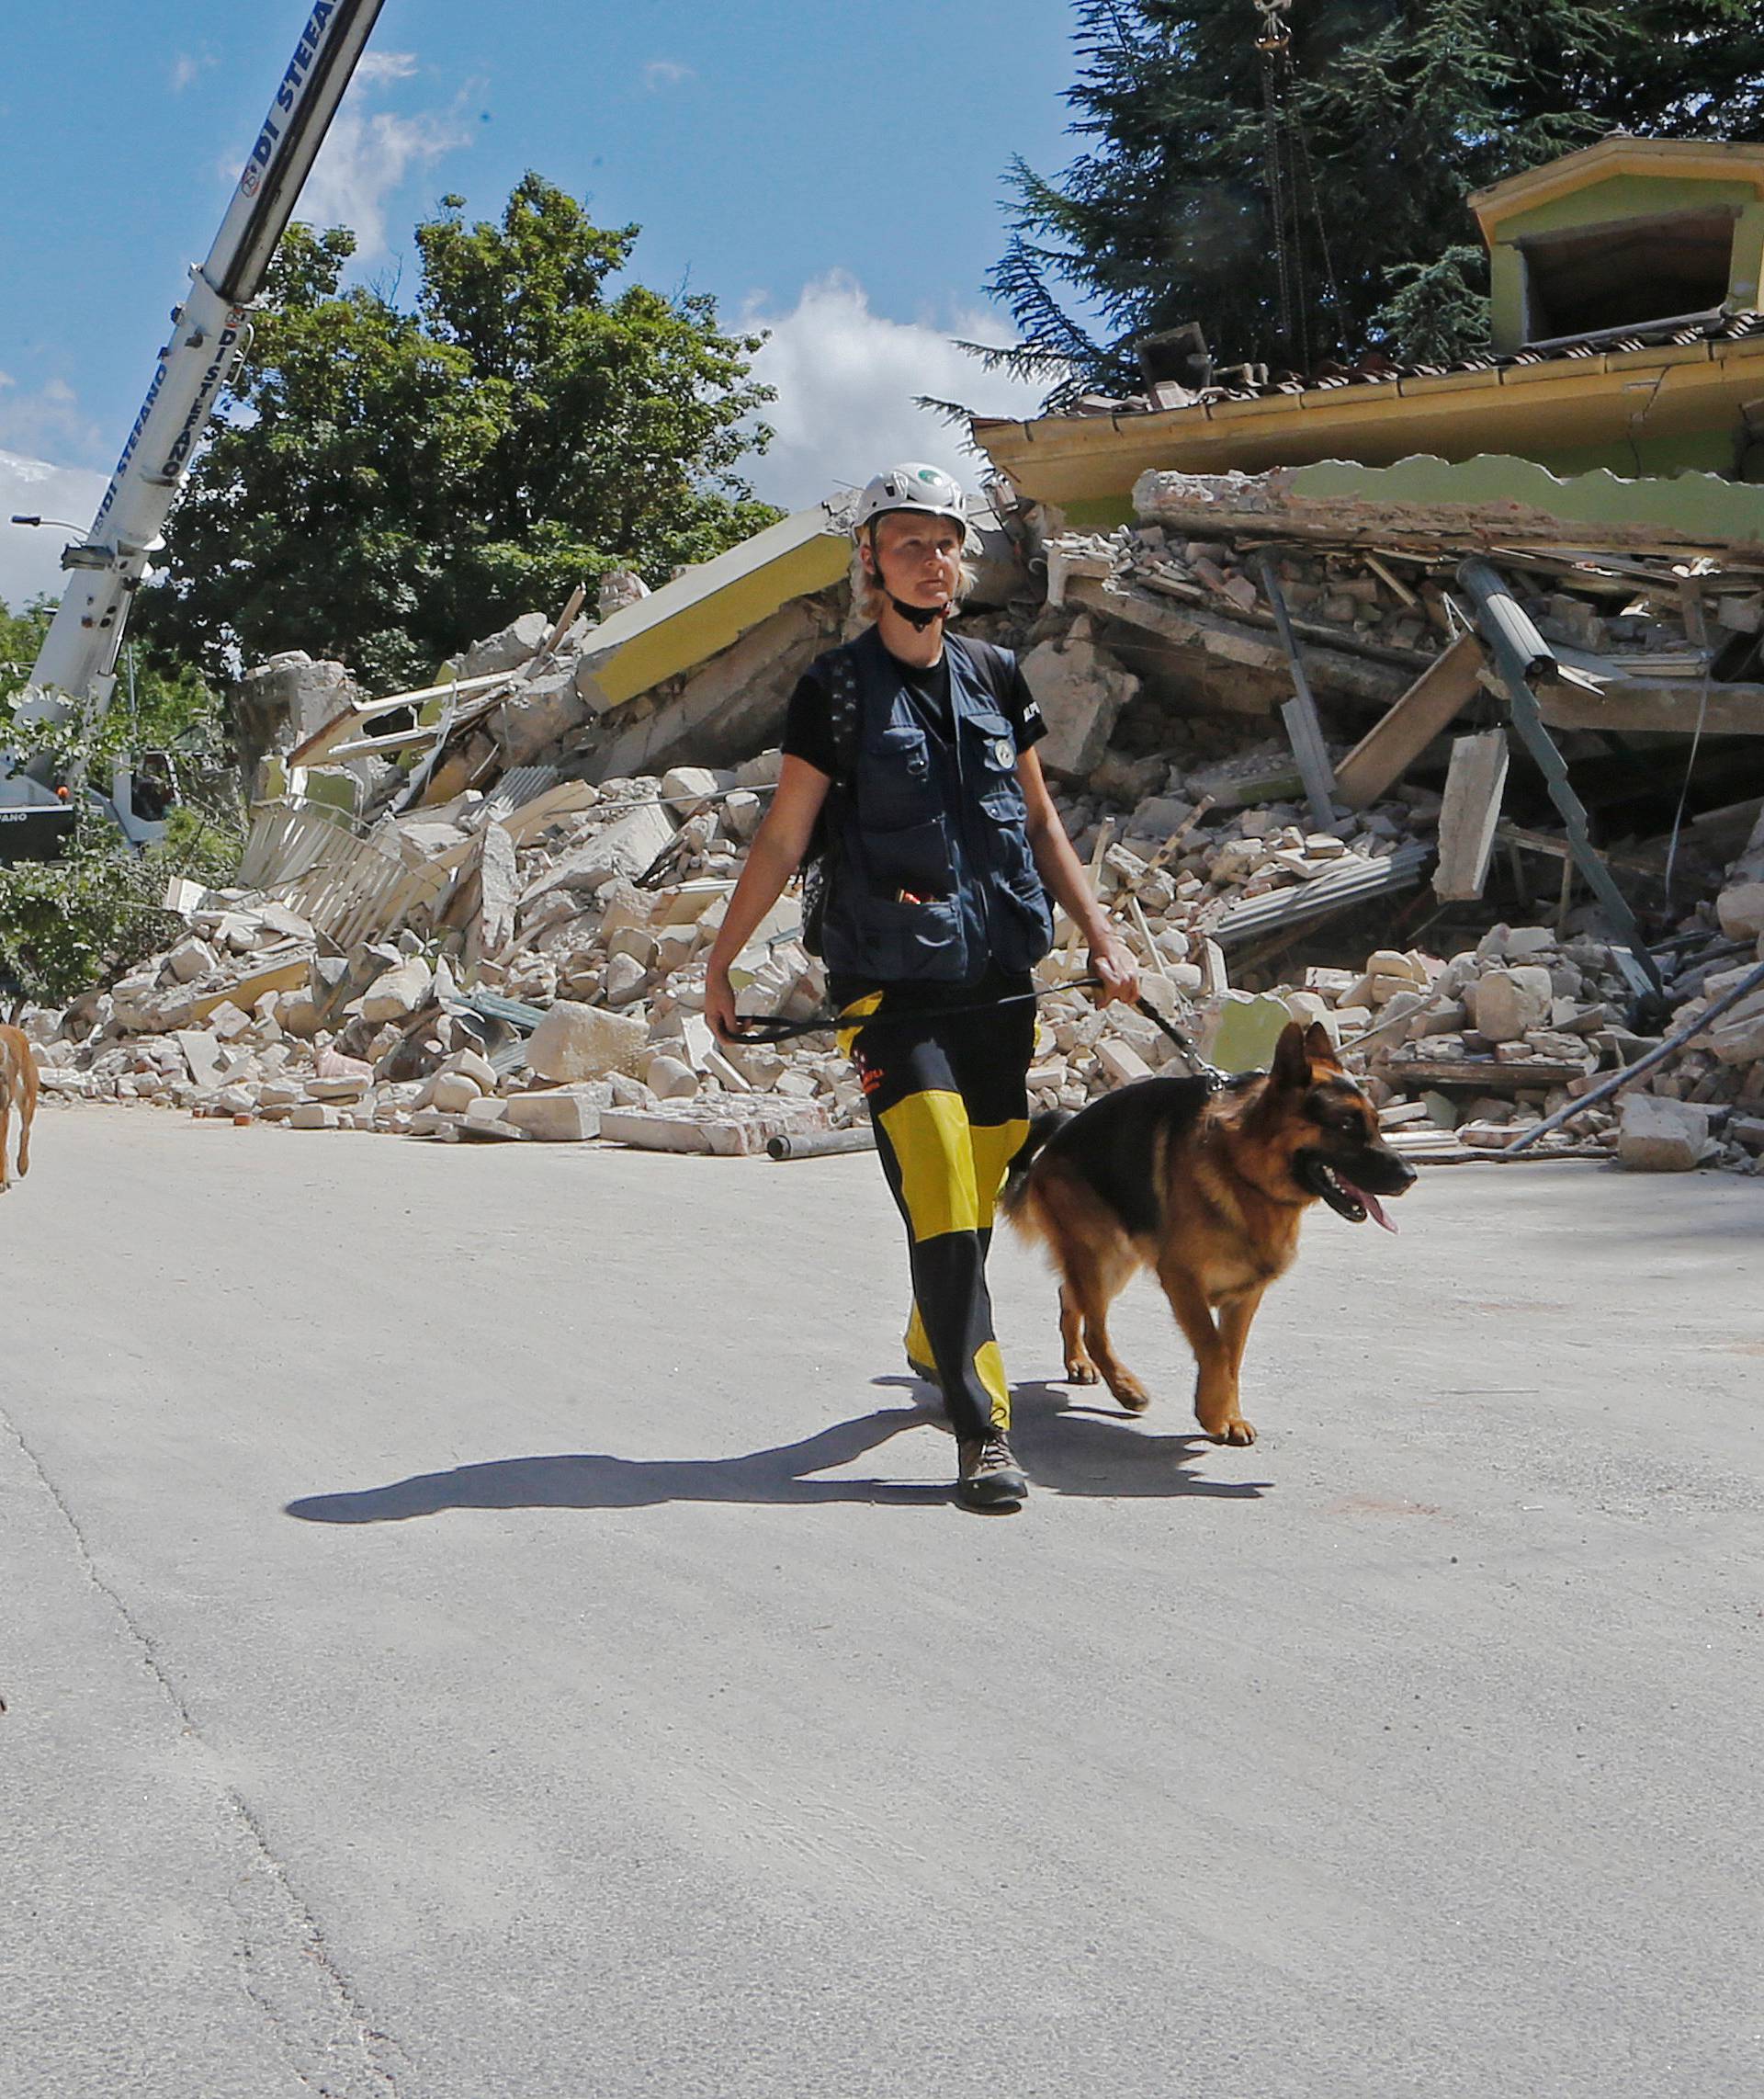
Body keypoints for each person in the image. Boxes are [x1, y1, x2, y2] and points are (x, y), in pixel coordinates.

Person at [706, 463, 1138, 1509]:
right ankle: (982, 1428)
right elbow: (785, 832)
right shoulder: (836, 689)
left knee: (985, 1164)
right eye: (909, 543)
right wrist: (720, 958)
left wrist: (1102, 936)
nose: (932, 562)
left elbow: (1040, 823)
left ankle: (929, 1320)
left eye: (945, 544)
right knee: (943, 1171)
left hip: (996, 976)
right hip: (887, 984)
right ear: (869, 558)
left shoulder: (995, 677)